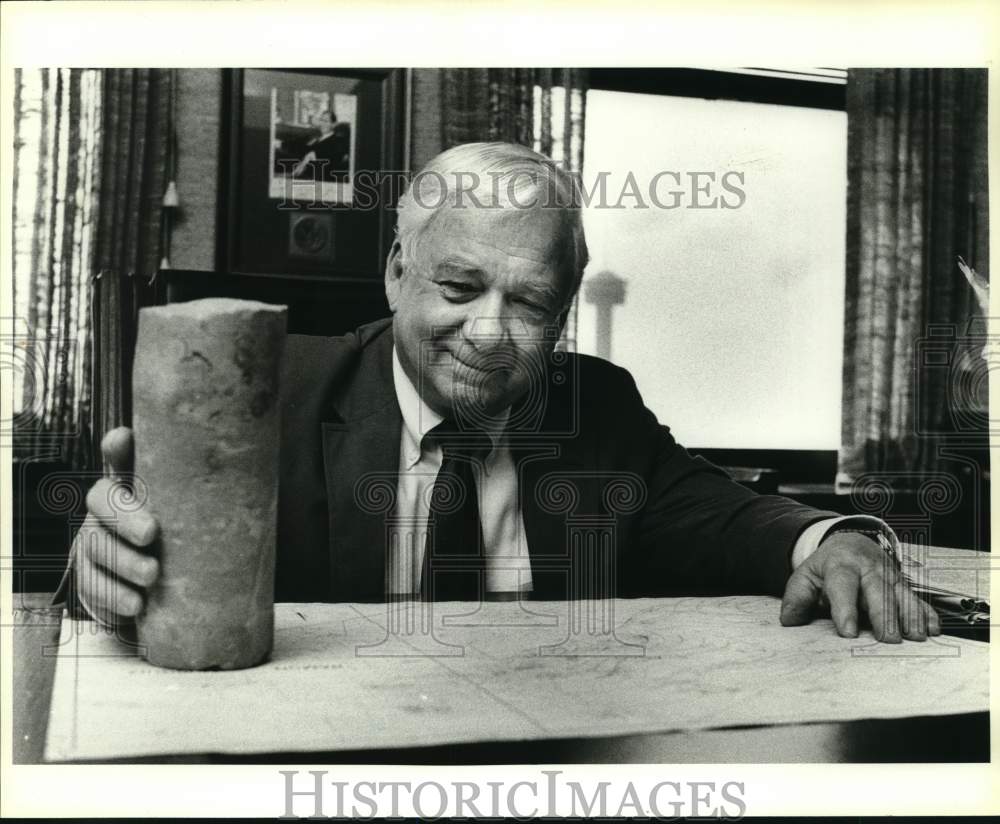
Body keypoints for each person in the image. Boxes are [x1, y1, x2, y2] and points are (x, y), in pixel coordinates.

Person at [67, 142, 940, 643]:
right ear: (396, 273)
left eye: (527, 302)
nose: (489, 332)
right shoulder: (269, 398)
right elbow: (122, 547)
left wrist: (837, 539)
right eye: (458, 289)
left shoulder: (597, 408)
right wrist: (99, 569)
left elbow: (728, 516)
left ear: (561, 312)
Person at [291, 108, 351, 182]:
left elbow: (332, 159)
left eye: (326, 121)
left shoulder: (337, 141)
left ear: (333, 124)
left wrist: (311, 156)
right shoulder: (316, 137)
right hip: (302, 170)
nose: (322, 124)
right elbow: (302, 148)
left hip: (319, 177)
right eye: (321, 120)